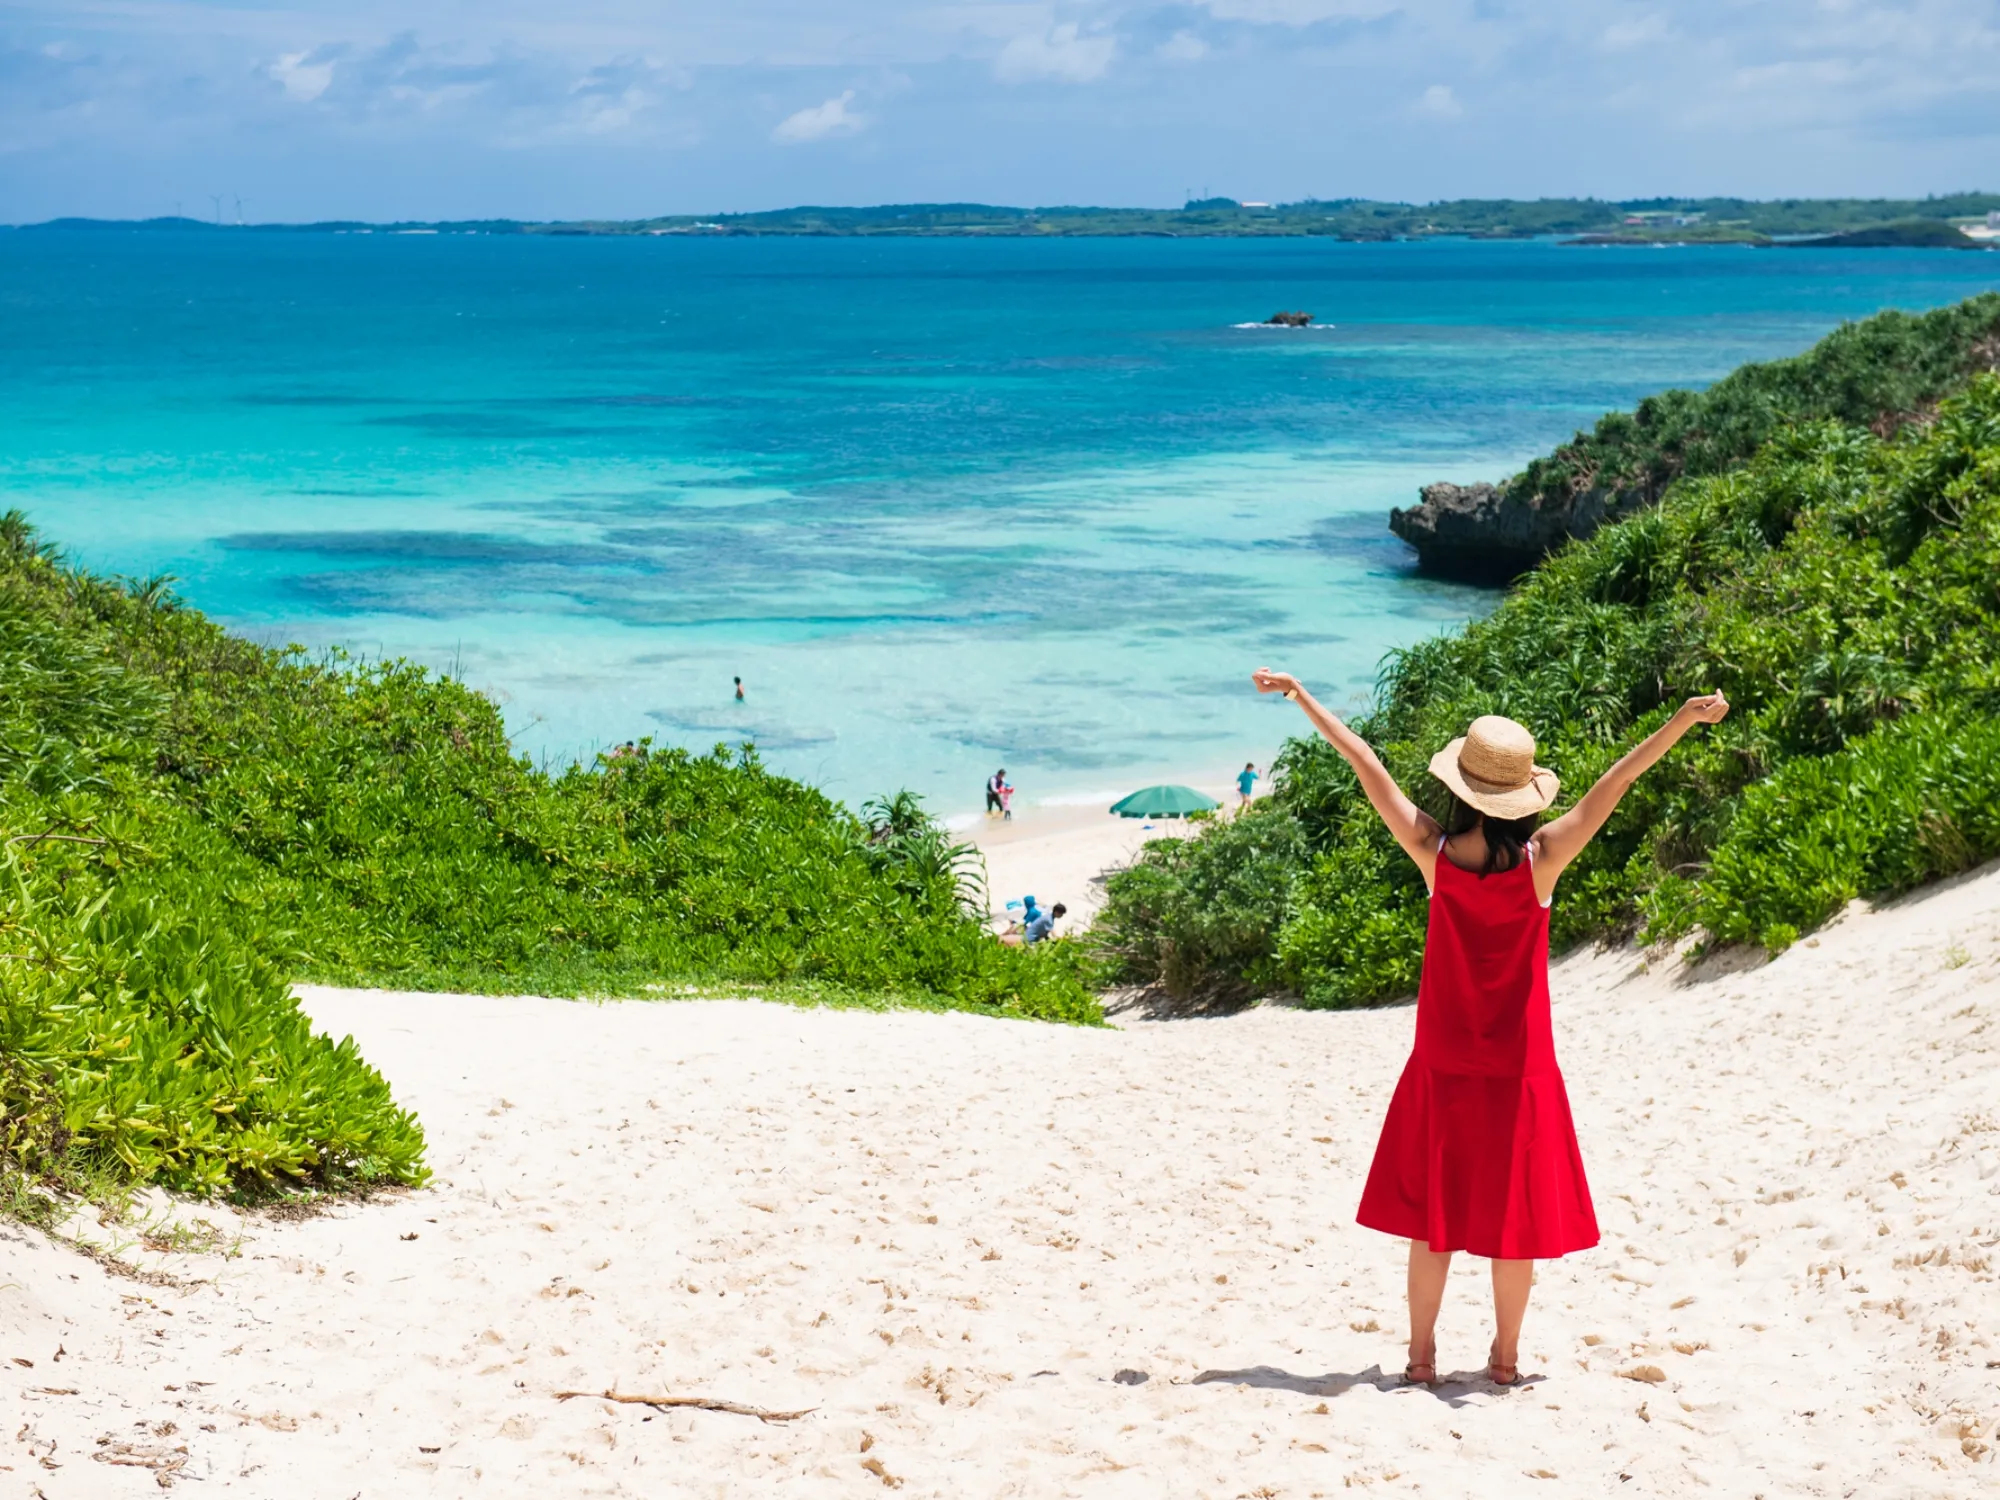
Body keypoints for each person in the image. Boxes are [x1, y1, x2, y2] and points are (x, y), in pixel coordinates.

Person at [1252, 665, 1729, 1389]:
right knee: (1515, 1222)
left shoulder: (1433, 855)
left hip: (1442, 1062)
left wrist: (1299, 694)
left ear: (1459, 786)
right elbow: (1619, 781)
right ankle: (1504, 1360)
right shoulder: (1545, 860)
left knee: (1432, 1218)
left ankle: (1420, 1358)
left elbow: (1365, 762)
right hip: (1521, 1068)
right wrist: (1683, 722)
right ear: (1523, 795)